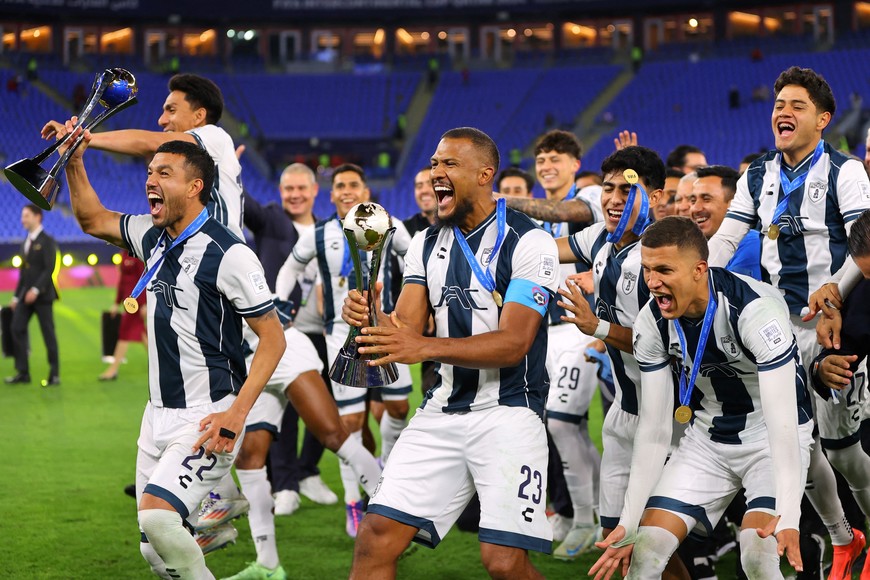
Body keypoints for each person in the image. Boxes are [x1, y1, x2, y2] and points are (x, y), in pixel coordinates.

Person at [60, 121, 285, 580]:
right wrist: (76, 160)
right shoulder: (153, 237)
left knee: (159, 518)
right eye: (149, 172)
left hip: (209, 415)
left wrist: (237, 414)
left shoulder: (229, 252)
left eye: (164, 172)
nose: (150, 180)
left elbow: (274, 338)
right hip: (156, 416)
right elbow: (93, 219)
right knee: (156, 553)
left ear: (195, 186)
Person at [343, 126, 558, 579]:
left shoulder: (530, 241)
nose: (435, 172)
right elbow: (404, 329)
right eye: (434, 163)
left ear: (485, 174)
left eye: (449, 164)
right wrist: (371, 316)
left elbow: (514, 343)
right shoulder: (425, 242)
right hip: (440, 410)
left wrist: (423, 346)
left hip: (509, 413)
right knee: (376, 537)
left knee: (503, 563)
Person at [708, 66, 870, 578]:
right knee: (793, 443)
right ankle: (845, 540)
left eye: (798, 105)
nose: (784, 111)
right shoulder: (757, 175)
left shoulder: (846, 172)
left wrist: (833, 300)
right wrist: (698, 280)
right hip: (778, 329)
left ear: (822, 119)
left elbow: (864, 245)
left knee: (842, 451)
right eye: (780, 104)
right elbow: (726, 242)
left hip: (838, 324)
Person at [590, 216, 813, 580]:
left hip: (770, 440)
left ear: (699, 270)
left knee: (757, 554)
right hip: (707, 439)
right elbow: (654, 430)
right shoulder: (652, 321)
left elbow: (783, 422)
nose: (653, 283)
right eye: (647, 270)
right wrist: (628, 522)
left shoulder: (755, 311)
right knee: (645, 552)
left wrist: (789, 513)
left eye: (663, 270)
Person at [276, 163, 412, 538]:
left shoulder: (389, 224)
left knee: (399, 408)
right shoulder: (318, 235)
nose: (347, 190)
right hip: (342, 335)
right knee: (350, 422)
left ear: (365, 191)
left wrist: (418, 305)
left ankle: (384, 472)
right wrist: (278, 302)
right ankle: (355, 502)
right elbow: (290, 269)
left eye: (354, 184)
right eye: (340, 186)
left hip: (388, 331)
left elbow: (418, 259)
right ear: (332, 195)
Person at [218, 309, 382, 580]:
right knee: (249, 460)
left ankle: (397, 517)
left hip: (282, 347)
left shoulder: (224, 266)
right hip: (247, 360)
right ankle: (268, 565)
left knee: (333, 435)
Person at [42, 73, 244, 238]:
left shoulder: (216, 136)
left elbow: (150, 143)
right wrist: (73, 159)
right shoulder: (161, 233)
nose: (161, 120)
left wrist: (83, 138)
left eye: (171, 110)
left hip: (219, 265)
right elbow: (93, 222)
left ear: (199, 116)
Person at [243, 162, 337, 514]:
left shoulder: (330, 231)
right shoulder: (272, 221)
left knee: (327, 403)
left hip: (326, 332)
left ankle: (308, 471)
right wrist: (228, 168)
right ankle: (284, 485)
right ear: (280, 193)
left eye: (302, 189)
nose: (295, 195)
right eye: (288, 189)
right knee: (284, 408)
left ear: (315, 191)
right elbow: (245, 206)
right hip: (283, 332)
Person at [527, 129, 603, 559]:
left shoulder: (590, 197)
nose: (547, 165)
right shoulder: (536, 220)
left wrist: (505, 202)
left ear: (576, 164)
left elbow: (568, 211)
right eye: (541, 159)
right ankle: (593, 515)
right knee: (567, 427)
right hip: (543, 332)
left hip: (581, 329)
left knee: (560, 422)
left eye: (556, 158)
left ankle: (583, 521)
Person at [6, 204, 60, 387]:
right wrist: (16, 297)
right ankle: (23, 372)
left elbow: (49, 268)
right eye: (23, 216)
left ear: (37, 217)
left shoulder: (47, 241)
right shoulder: (25, 241)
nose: (22, 220)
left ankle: (54, 374)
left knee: (48, 334)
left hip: (43, 297)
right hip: (24, 297)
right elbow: (23, 274)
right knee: (16, 327)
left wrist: (36, 290)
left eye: (26, 216)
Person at [689, 165, 760, 279]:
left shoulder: (751, 243)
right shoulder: (691, 248)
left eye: (706, 199)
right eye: (693, 201)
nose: (696, 208)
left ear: (733, 205)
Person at [99, 251, 147, 381]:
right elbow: (122, 281)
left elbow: (143, 279)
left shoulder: (138, 254)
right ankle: (163, 364)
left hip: (136, 302)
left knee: (124, 332)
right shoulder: (124, 254)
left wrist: (143, 304)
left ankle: (113, 369)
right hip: (129, 301)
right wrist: (116, 303)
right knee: (144, 335)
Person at [404, 167, 437, 237]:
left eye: (430, 184)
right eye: (419, 186)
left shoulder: (457, 226)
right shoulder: (405, 229)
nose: (424, 191)